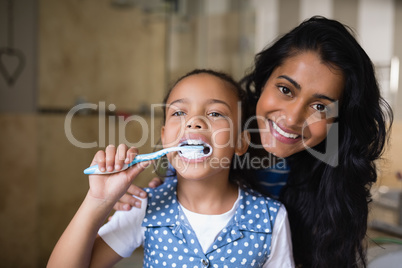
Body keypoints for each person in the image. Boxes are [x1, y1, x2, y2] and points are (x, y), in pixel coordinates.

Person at [117, 16, 393, 267]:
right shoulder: (212, 134)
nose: (293, 117)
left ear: (338, 121)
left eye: (320, 106)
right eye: (285, 89)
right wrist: (140, 198)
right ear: (264, 81)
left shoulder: (332, 183)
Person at [47, 69, 295, 267]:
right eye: (179, 112)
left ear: (240, 142)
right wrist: (97, 200)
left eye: (215, 113)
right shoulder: (144, 207)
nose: (194, 122)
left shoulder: (271, 219)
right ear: (165, 138)